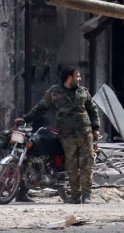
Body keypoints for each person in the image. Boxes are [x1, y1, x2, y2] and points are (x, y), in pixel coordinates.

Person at [16, 67, 100, 204]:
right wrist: (25, 119)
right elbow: (40, 108)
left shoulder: (83, 92)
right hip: (67, 135)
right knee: (72, 166)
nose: (80, 79)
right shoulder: (54, 92)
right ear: (70, 78)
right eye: (77, 76)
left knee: (87, 165)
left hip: (85, 133)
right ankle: (75, 196)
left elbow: (92, 109)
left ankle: (86, 196)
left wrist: (96, 128)